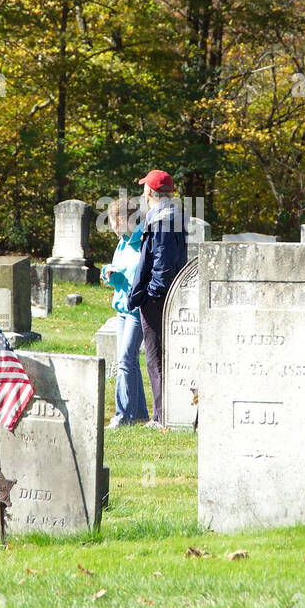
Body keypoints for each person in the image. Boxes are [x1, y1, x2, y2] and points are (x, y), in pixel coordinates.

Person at [127, 169, 188, 428]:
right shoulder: (169, 217)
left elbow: (162, 265)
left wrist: (150, 295)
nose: (143, 193)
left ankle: (162, 417)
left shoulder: (163, 220)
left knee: (156, 359)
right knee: (161, 358)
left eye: (144, 189)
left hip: (158, 300)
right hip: (164, 297)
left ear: (150, 192)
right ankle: (165, 414)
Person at [100, 197, 150, 428]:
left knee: (124, 361)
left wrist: (124, 279)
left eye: (111, 221)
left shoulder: (143, 241)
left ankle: (122, 416)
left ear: (121, 219)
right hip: (121, 308)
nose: (110, 227)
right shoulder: (123, 242)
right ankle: (139, 414)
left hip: (137, 309)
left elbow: (142, 277)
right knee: (129, 362)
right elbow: (117, 270)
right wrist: (107, 273)